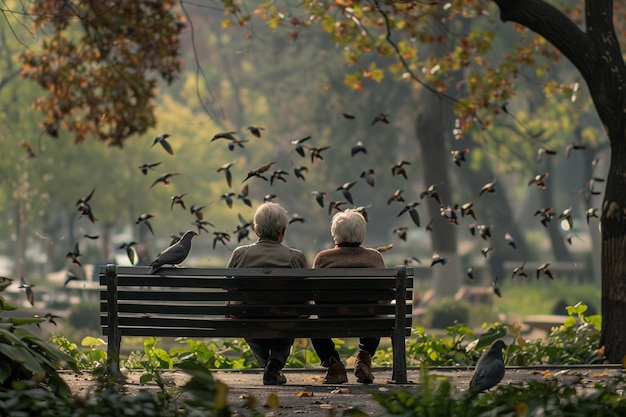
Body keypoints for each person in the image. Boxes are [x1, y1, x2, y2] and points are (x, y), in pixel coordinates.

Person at [226, 202, 308, 385]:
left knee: (248, 319)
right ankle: (274, 364)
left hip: (250, 319)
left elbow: (229, 289)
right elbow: (304, 299)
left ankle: (269, 364)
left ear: (256, 230)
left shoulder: (240, 254)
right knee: (289, 316)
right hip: (285, 321)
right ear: (283, 231)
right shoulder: (296, 257)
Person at [311, 209, 385, 384]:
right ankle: (364, 357)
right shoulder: (374, 258)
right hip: (367, 317)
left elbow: (315, 295)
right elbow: (385, 297)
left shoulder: (323, 258)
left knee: (313, 323)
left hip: (330, 317)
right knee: (377, 313)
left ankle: (334, 365)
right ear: (362, 233)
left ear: (334, 233)